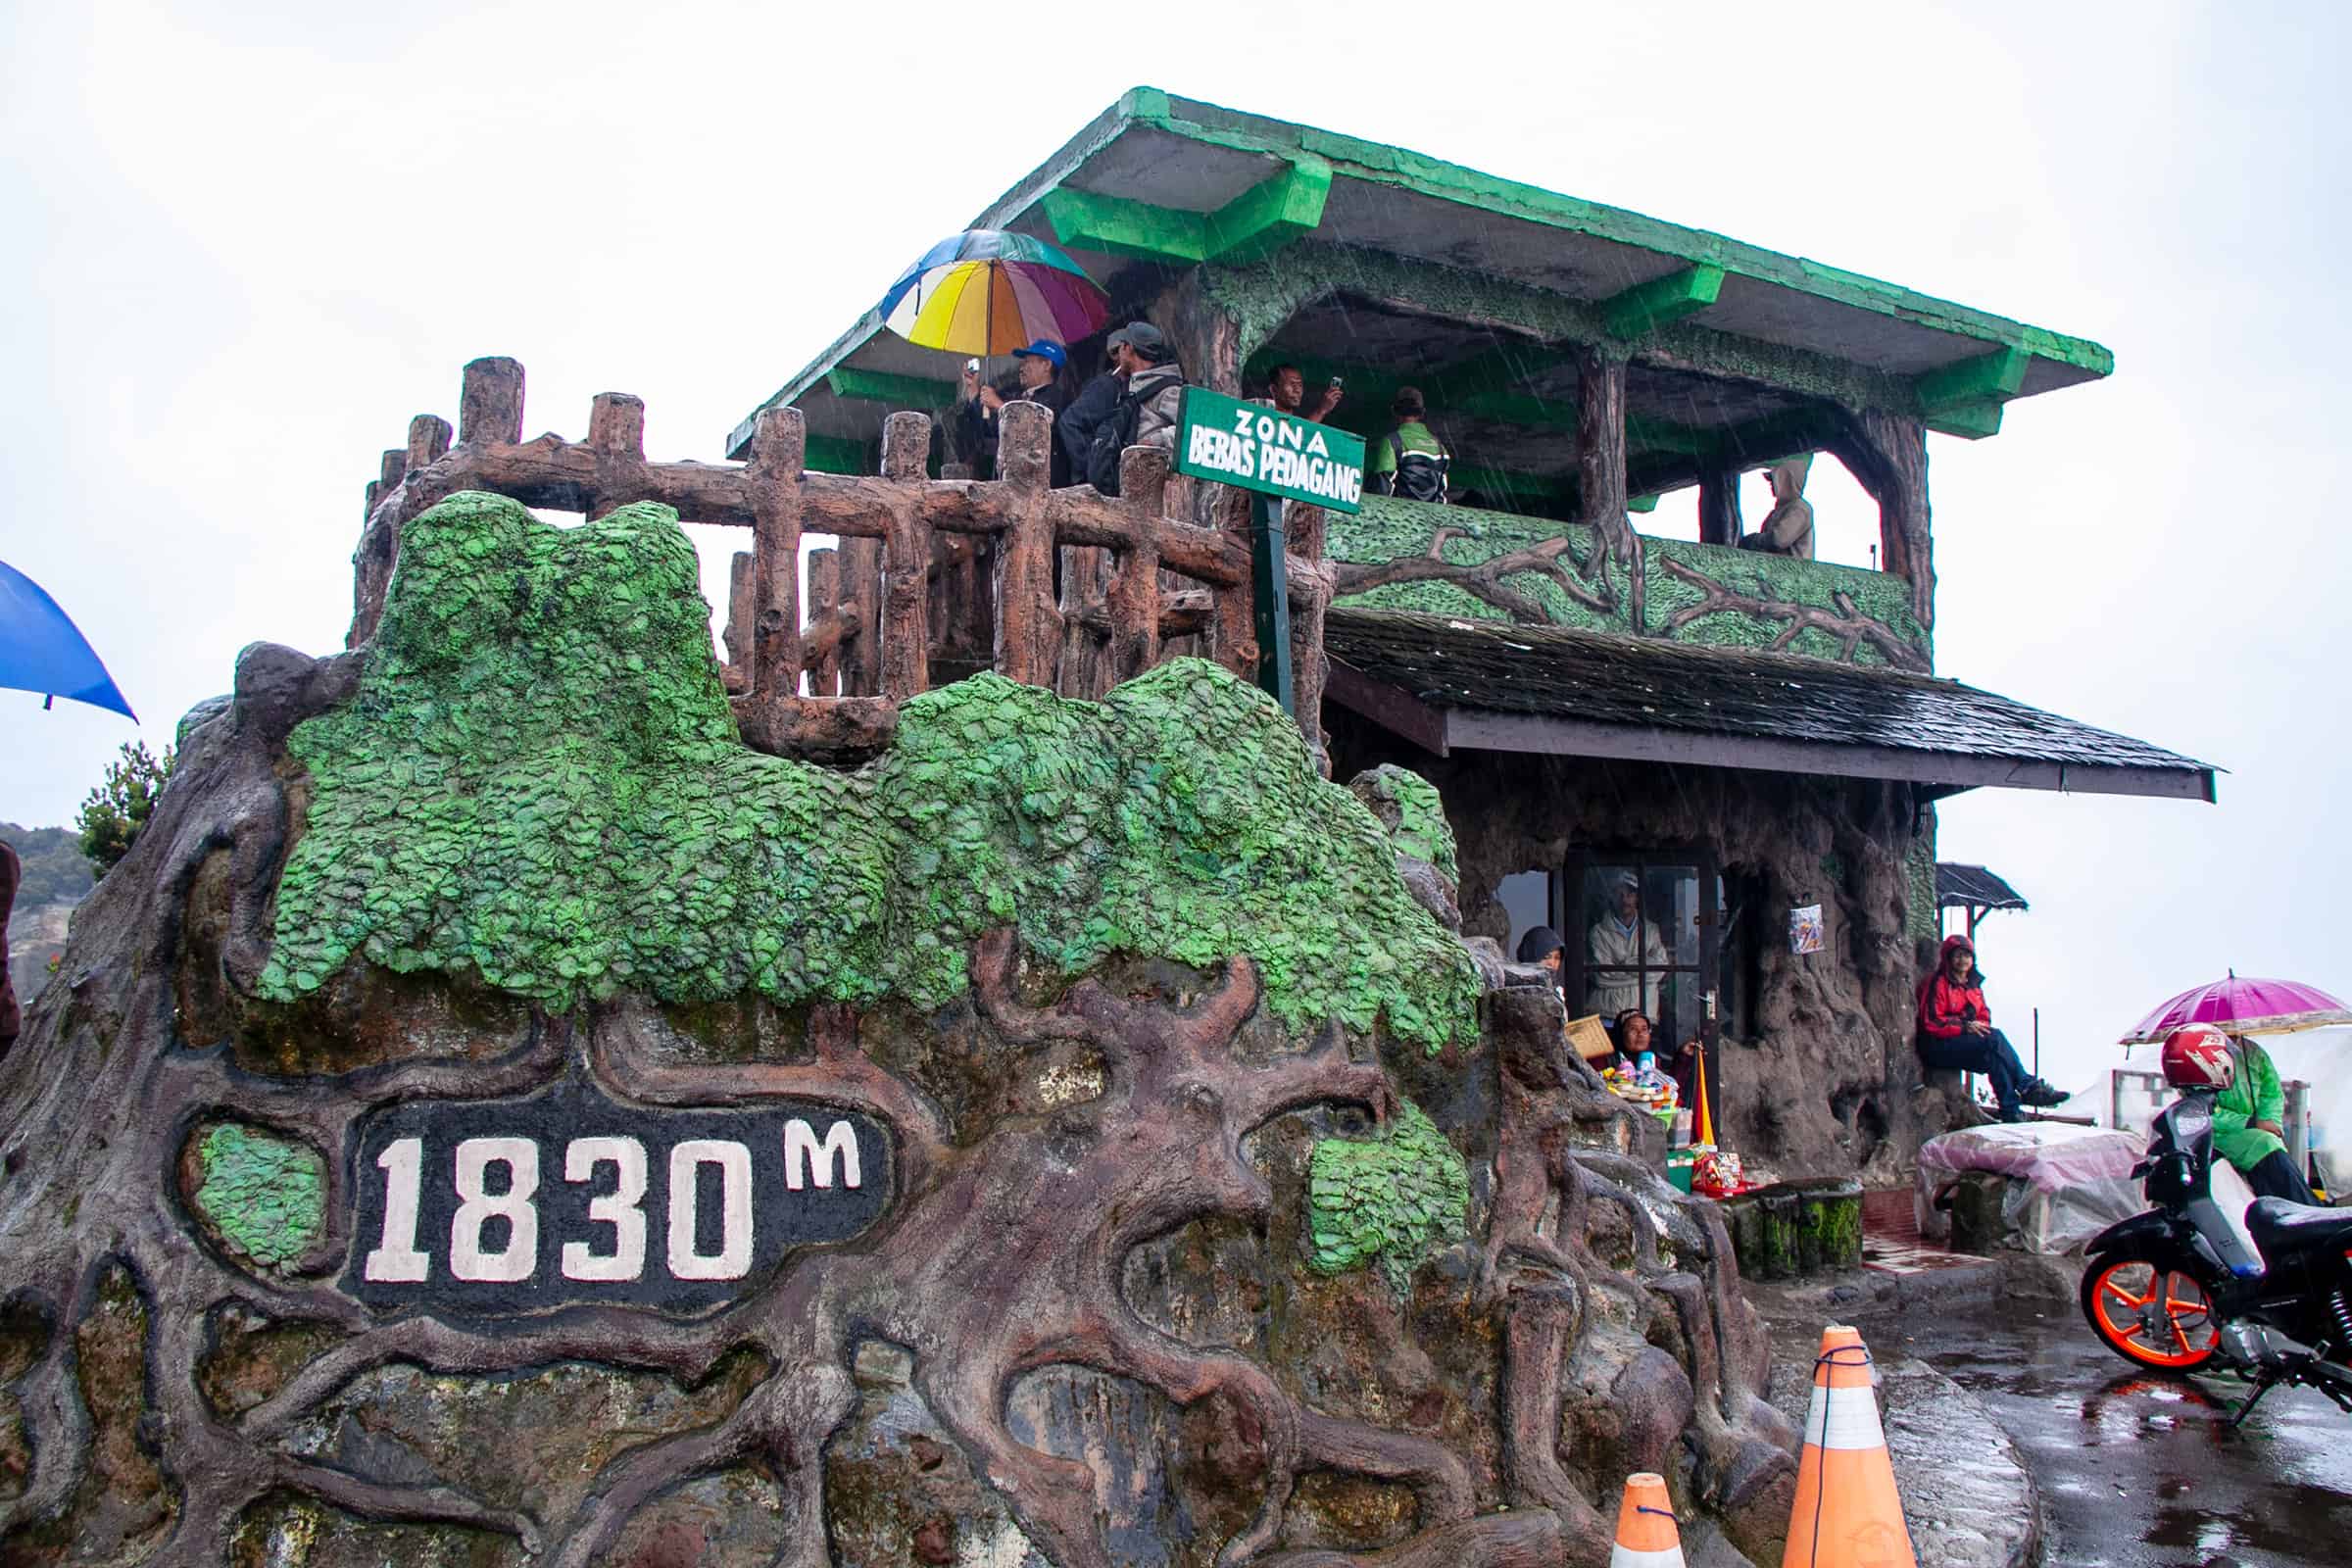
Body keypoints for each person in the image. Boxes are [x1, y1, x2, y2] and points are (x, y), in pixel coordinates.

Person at [1914, 934, 2064, 1122]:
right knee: (1995, 1037)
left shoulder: (1974, 987)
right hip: (1936, 1045)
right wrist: (1965, 1026)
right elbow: (1932, 1021)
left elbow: (1984, 1017)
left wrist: (1975, 1027)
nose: (1963, 960)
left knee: (1995, 1057)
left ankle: (2011, 1112)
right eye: (1958, 956)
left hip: (1960, 1043)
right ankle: (2028, 1086)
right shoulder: (1938, 983)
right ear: (1948, 958)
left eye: (1967, 956)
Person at [1059, 322, 1186, 494]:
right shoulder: (1130, 388)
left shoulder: (1168, 390)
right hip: (1127, 487)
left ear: (1128, 348)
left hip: (1151, 489)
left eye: (1120, 347)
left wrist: (1154, 442)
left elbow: (1193, 431)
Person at [2213, 1031, 2322, 1204]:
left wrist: (2268, 1122)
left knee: (2269, 1146)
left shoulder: (2254, 1052)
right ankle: (2308, 1209)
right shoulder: (2203, 1055)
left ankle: (2297, 1210)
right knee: (2264, 1143)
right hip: (2220, 1133)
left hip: (2257, 1133)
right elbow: (2205, 1111)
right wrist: (2251, 1123)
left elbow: (2272, 1094)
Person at [955, 340, 1072, 485]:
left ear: (1046, 365)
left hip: (1039, 484)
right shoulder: (1019, 397)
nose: (1021, 368)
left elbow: (1033, 427)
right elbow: (991, 431)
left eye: (1027, 362)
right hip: (1012, 482)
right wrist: (973, 390)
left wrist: (999, 405)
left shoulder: (1057, 398)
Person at [1587, 871, 1669, 1017]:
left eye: (1630, 894)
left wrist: (1625, 964)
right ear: (1611, 896)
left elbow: (1660, 970)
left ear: (1637, 897)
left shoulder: (1651, 930)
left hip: (1644, 1015)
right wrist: (1641, 971)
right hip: (1608, 1014)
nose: (1625, 899)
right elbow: (1602, 977)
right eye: (1619, 894)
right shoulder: (1598, 932)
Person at [1368, 388, 1450, 503]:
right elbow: (1441, 494)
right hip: (1429, 518)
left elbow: (1381, 490)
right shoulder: (1441, 448)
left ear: (1394, 410)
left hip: (1399, 516)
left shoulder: (1393, 441)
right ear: (1422, 412)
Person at [1737, 454, 1814, 559]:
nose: (1771, 484)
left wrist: (1755, 540)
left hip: (1791, 572)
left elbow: (1779, 539)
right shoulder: (1778, 511)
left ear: (1786, 479)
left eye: (1774, 479)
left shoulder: (1799, 508)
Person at [1267, 364, 1343, 424]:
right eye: (1292, 384)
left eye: (1300, 385)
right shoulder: (1263, 417)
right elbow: (1292, 437)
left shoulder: (1295, 423)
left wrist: (1322, 410)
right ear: (1274, 389)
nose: (1297, 390)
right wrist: (1321, 411)